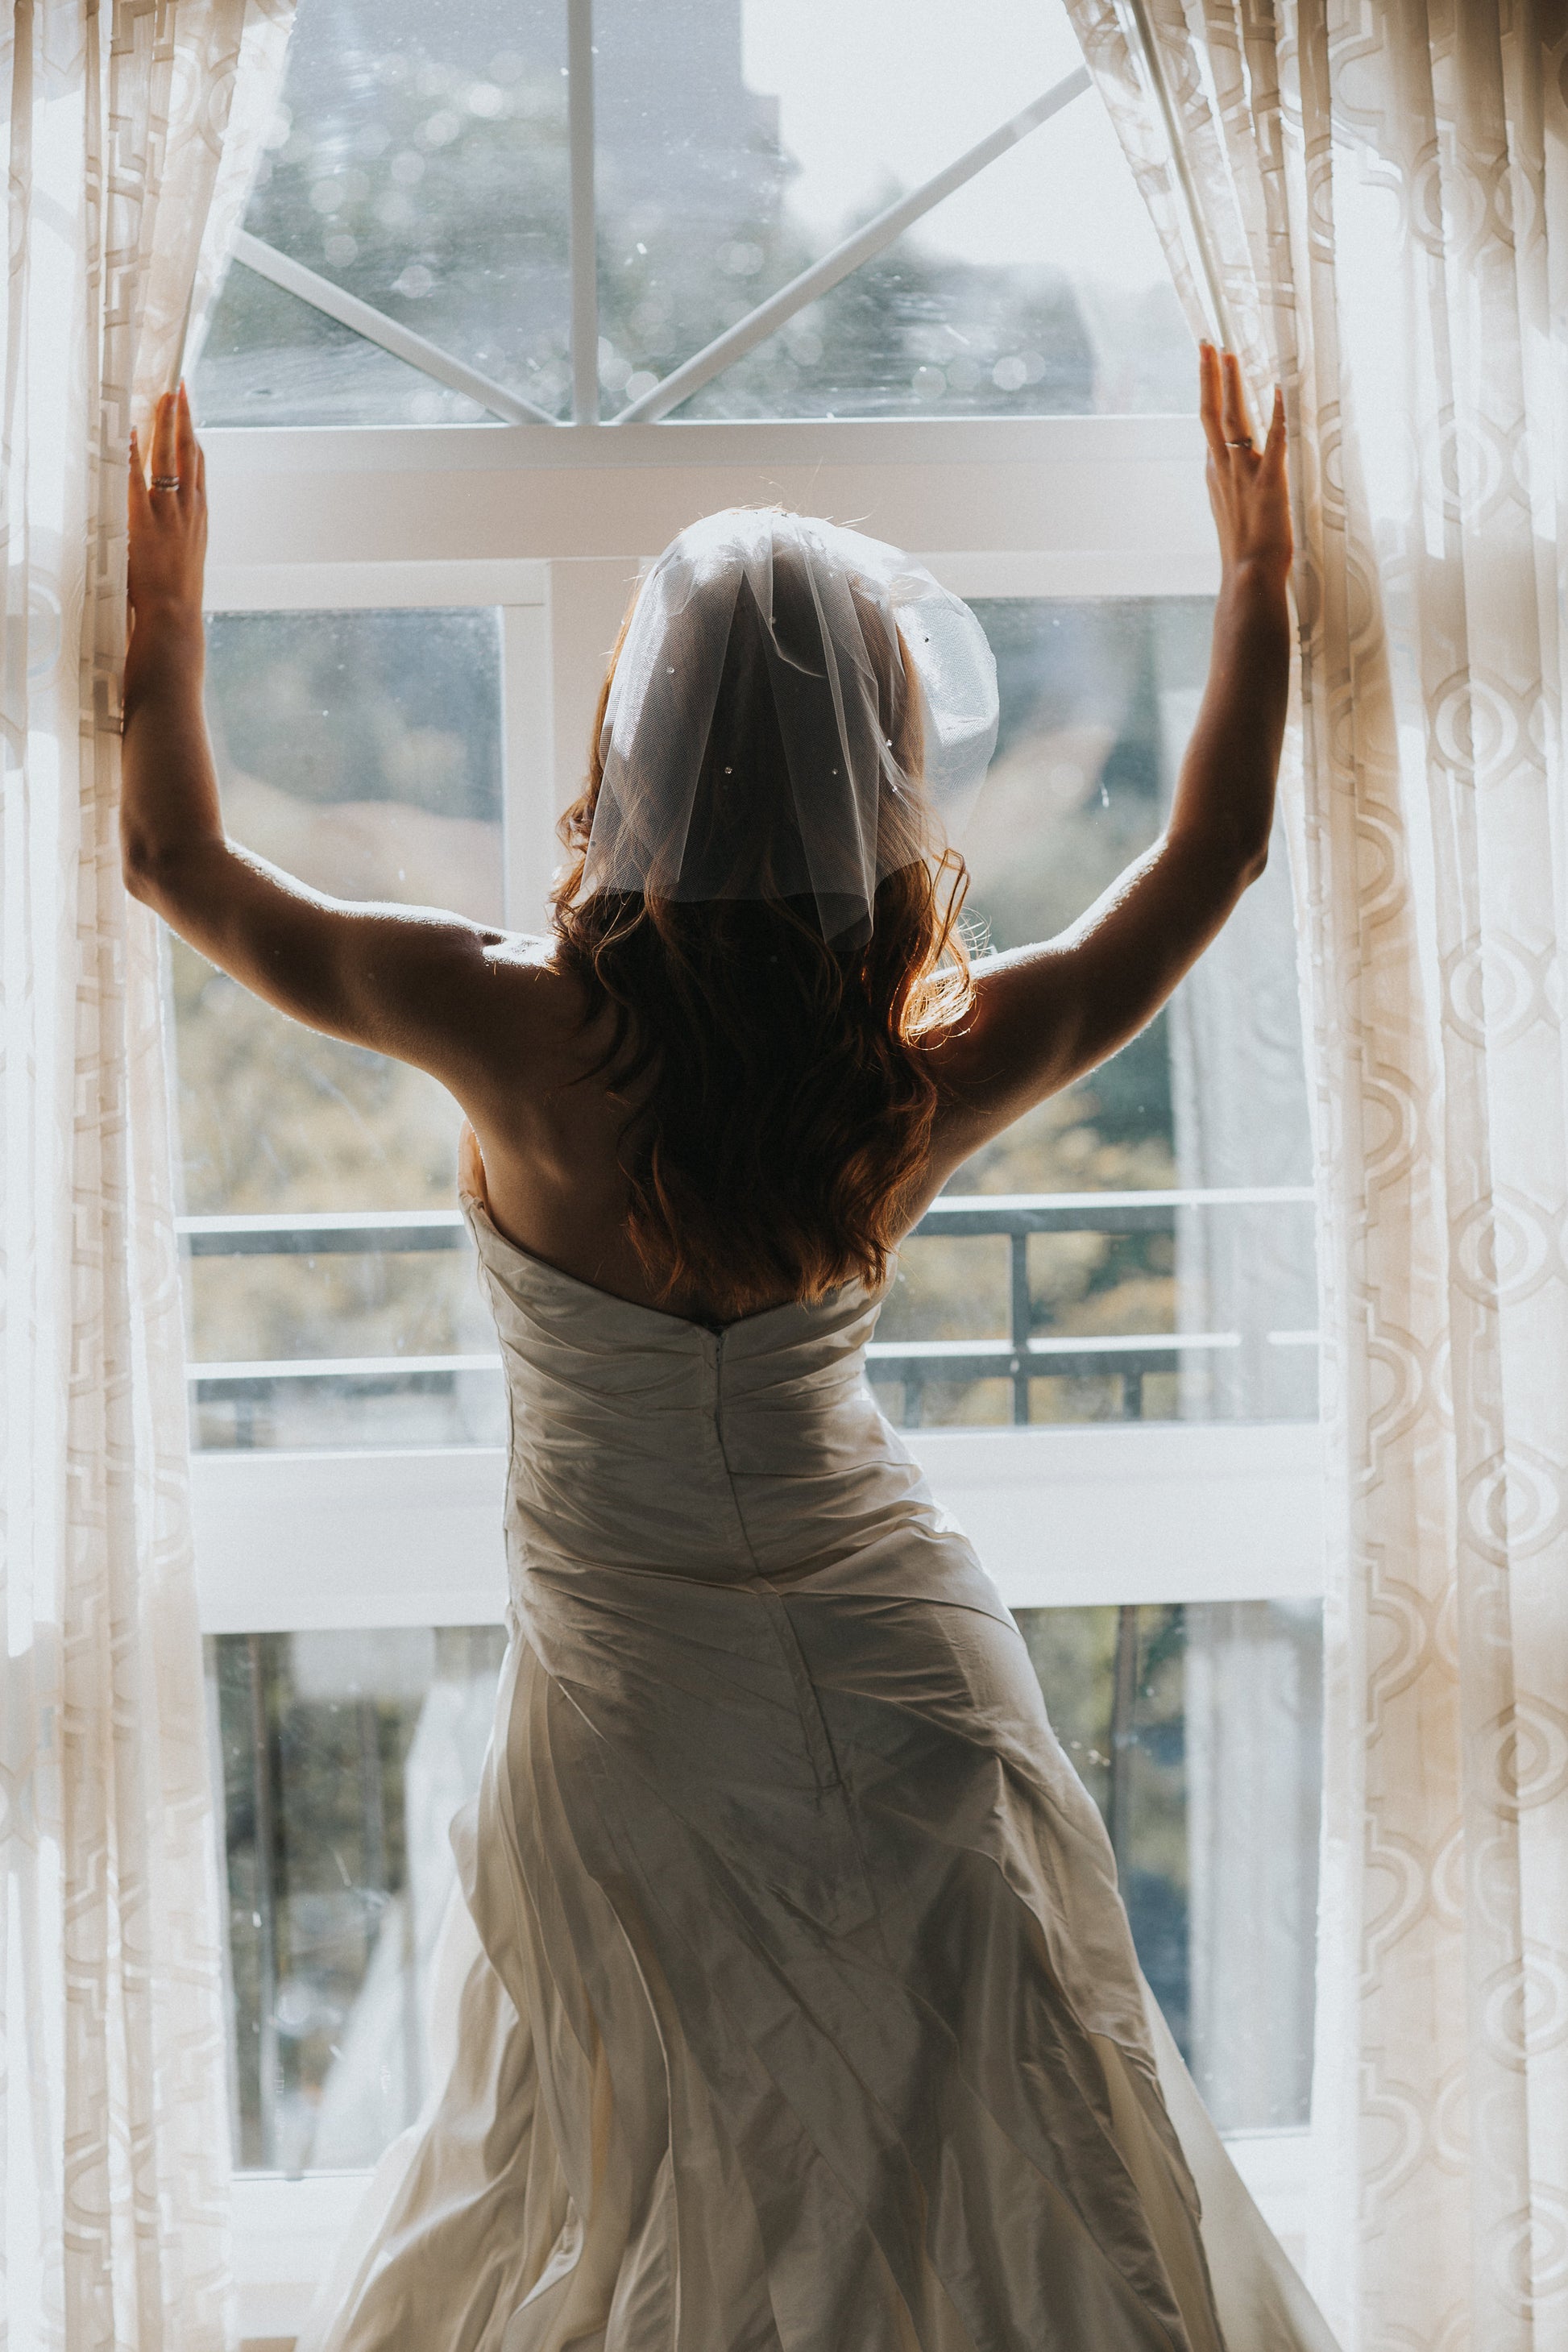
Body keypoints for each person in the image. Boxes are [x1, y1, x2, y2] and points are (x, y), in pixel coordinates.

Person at [123, 351, 1334, 2352]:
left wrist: (165, 620)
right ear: (878, 772)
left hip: (632, 1709)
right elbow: (1202, 866)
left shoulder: (511, 1027)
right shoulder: (904, 1071)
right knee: (982, 2149)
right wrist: (1258, 576)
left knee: (641, 2171)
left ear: (642, 737)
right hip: (900, 1677)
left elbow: (178, 867)